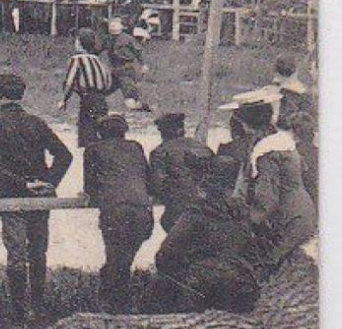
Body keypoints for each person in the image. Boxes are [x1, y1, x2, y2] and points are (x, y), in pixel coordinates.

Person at [0, 73, 74, 323]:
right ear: (22, 95)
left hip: (12, 198)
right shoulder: (37, 123)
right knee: (38, 252)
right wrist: (49, 183)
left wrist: (23, 183)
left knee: (15, 255)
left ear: (0, 95)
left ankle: (18, 311)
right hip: (40, 199)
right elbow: (64, 155)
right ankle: (38, 306)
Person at [143, 154, 260, 314]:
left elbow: (166, 254)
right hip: (243, 285)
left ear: (208, 182)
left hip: (203, 286)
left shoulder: (196, 213)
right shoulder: (247, 214)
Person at [233, 97, 317, 269]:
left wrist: (245, 222)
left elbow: (267, 200)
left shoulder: (267, 150)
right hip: (301, 214)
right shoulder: (279, 141)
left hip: (290, 222)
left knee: (254, 265)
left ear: (244, 124)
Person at [82, 113, 155, 312]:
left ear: (100, 133)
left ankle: (114, 306)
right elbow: (148, 181)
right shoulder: (136, 147)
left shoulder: (93, 149)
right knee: (122, 261)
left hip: (115, 211)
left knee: (116, 260)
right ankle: (120, 304)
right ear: (124, 132)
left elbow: (90, 186)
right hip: (142, 211)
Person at [147, 112, 212, 232]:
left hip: (179, 207)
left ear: (163, 132)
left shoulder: (160, 152)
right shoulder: (202, 147)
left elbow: (157, 184)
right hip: (209, 206)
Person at [58, 27, 114, 148]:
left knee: (86, 134)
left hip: (88, 99)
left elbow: (69, 82)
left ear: (79, 43)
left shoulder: (77, 59)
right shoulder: (98, 60)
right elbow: (108, 81)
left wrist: (64, 99)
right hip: (102, 99)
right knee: (100, 130)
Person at [106, 18, 151, 112]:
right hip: (115, 69)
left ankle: (140, 106)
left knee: (130, 95)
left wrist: (144, 64)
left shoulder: (127, 39)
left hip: (126, 69)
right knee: (104, 90)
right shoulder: (108, 38)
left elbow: (138, 51)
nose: (113, 27)